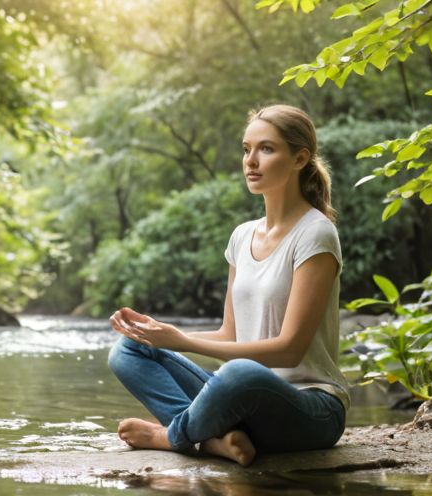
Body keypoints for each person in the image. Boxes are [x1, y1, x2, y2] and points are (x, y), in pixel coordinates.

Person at [107, 104, 349, 467]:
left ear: (299, 159)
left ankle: (172, 436)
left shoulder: (316, 234)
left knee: (239, 372)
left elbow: (289, 351)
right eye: (246, 149)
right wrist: (162, 335)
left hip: (311, 409)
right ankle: (212, 440)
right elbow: (230, 334)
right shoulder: (242, 236)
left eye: (266, 149)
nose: (251, 161)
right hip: (242, 398)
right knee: (129, 349)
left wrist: (182, 341)